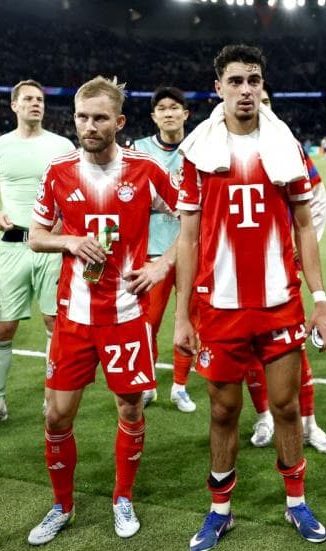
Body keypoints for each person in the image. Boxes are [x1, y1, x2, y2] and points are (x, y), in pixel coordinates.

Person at [173, 44, 326, 551]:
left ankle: (296, 502)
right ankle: (220, 511)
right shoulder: (198, 154)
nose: (246, 90)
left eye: (255, 80)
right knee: (222, 411)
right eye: (236, 81)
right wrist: (182, 316)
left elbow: (306, 227)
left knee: (285, 407)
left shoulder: (287, 146)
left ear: (264, 87)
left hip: (278, 301)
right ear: (218, 87)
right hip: (218, 306)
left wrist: (320, 298)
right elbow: (189, 239)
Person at [26, 76, 177, 544]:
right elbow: (35, 234)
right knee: (56, 416)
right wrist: (67, 239)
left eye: (99, 117)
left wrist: (161, 265)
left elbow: (193, 221)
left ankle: (122, 497)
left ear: (120, 121)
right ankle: (61, 505)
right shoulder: (58, 172)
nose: (88, 126)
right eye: (81, 117)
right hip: (73, 316)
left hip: (127, 315)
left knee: (130, 409)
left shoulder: (146, 170)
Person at [0, 80, 75, 431]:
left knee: (53, 324)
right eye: (28, 99)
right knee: (3, 328)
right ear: (14, 105)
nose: (36, 104)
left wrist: (65, 224)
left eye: (40, 99)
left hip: (51, 247)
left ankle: (51, 399)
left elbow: (74, 190)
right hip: (13, 246)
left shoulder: (61, 145)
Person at [242, 84, 326, 455]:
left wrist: (299, 254)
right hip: (237, 274)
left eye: (266, 101)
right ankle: (264, 415)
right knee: (251, 352)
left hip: (280, 271)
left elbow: (317, 199)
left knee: (293, 349)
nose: (260, 108)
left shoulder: (288, 147)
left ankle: (310, 424)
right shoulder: (217, 148)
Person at [132, 86, 197, 414]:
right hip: (153, 253)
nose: (169, 113)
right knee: (148, 323)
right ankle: (148, 385)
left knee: (188, 320)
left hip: (193, 251)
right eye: (162, 108)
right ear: (154, 116)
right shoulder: (139, 150)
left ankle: (181, 387)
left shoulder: (201, 147)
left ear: (186, 114)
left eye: (175, 107)